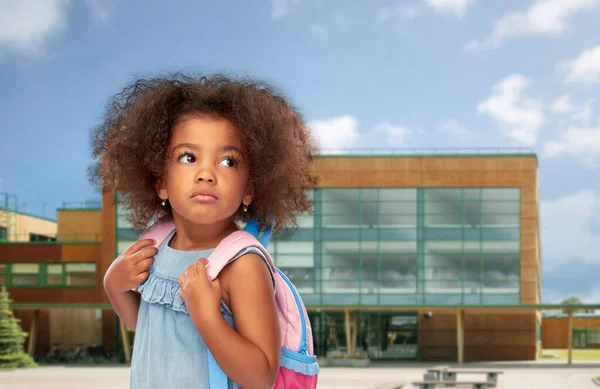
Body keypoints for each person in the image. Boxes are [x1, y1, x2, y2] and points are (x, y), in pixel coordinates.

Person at [88, 73, 317, 389]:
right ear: (161, 183)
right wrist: (114, 286)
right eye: (188, 157)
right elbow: (147, 328)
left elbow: (260, 376)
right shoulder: (154, 246)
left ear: (249, 189)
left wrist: (208, 317)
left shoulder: (242, 264)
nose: (206, 174)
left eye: (228, 161)